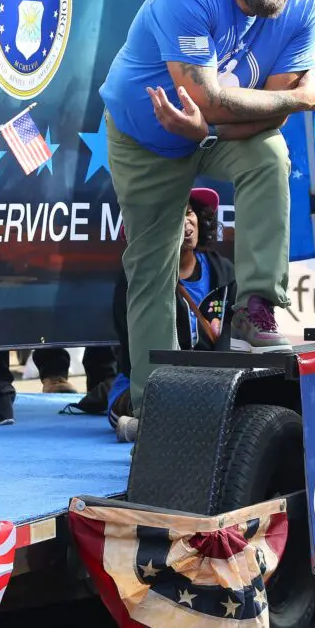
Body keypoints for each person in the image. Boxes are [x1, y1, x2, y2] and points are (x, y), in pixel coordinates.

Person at [99, 0, 315, 423]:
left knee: (270, 155)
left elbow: (266, 114)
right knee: (152, 264)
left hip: (218, 133)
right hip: (146, 138)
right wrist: (302, 99)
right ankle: (156, 407)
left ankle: (256, 307)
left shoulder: (307, 7)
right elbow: (203, 96)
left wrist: (214, 126)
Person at [109, 187, 236, 442]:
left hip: (214, 382)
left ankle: (153, 427)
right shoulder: (138, 279)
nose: (186, 223)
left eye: (189, 213)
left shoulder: (225, 272)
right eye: (174, 218)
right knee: (143, 403)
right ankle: (148, 422)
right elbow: (132, 343)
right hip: (152, 379)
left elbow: (233, 336)